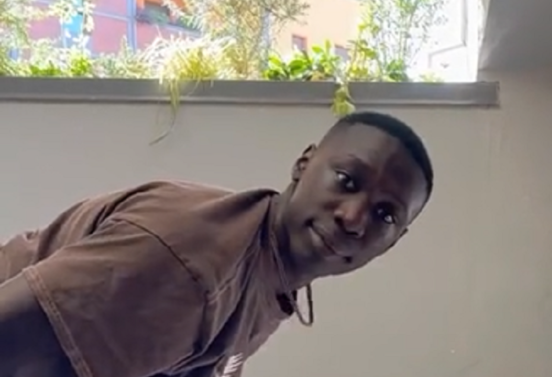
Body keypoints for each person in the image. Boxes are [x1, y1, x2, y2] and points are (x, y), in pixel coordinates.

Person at [0, 110, 433, 377]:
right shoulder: (188, 265)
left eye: (385, 214)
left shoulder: (269, 267)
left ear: (394, 241)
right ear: (304, 163)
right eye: (347, 180)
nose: (353, 218)